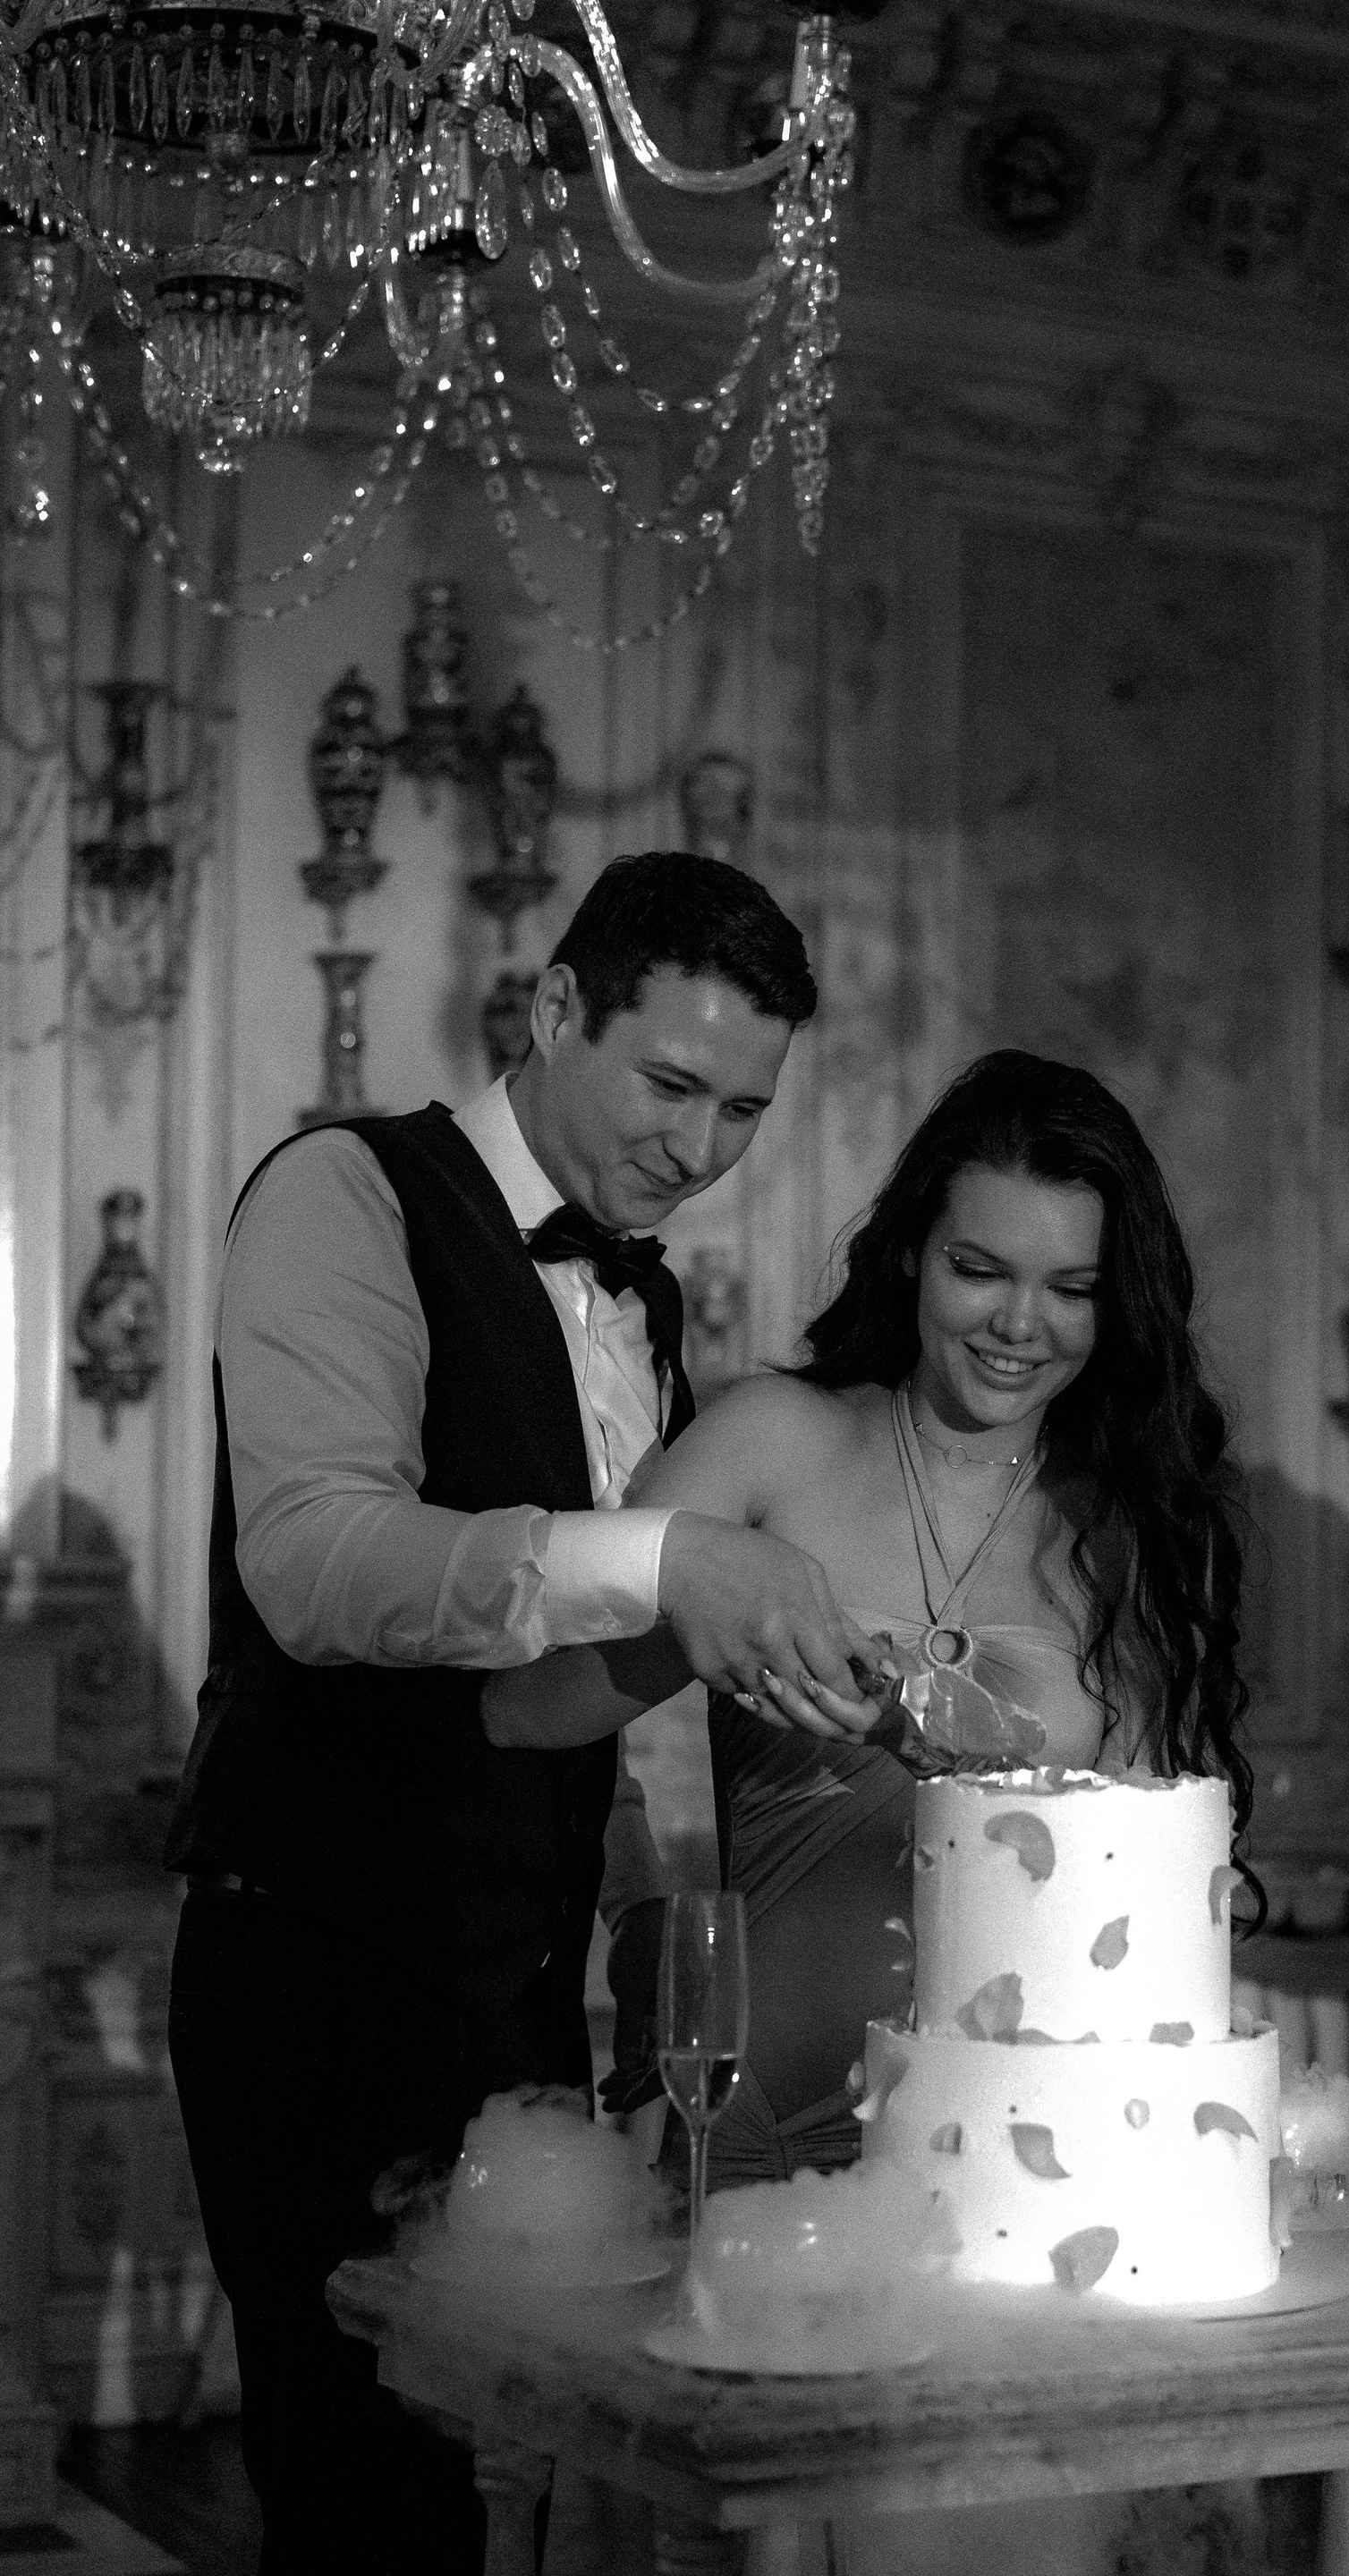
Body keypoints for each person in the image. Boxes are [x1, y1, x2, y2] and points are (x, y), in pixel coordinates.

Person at [165, 852, 877, 2576]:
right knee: (367, 2502)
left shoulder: (639, 1291)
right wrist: (667, 1557)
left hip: (515, 1987)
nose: (701, 1148)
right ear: (557, 1008)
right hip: (323, 1968)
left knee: (508, 2484)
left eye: (744, 1109)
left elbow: (550, 1682)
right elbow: (320, 1565)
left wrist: (626, 1898)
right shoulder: (343, 1192)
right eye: (671, 1084)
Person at [486, 1047, 1258, 2190]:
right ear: (909, 1252)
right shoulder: (772, 1441)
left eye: (1073, 1289)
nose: (1020, 1323)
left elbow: (1140, 1900)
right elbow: (525, 1713)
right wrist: (643, 1908)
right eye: (978, 1270)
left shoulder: (1131, 1531)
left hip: (1025, 2164)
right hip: (761, 2135)